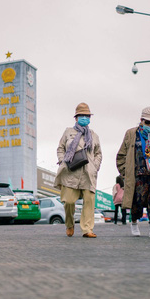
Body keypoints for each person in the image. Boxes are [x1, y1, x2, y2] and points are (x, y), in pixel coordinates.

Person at [116, 106, 150, 238]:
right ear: (141, 120)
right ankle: (134, 222)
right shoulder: (131, 134)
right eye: (147, 122)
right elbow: (121, 155)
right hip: (138, 174)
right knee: (138, 200)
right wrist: (126, 172)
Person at [54, 102, 102, 238]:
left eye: (87, 116)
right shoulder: (68, 132)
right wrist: (63, 160)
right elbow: (60, 148)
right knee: (68, 201)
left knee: (89, 201)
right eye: (82, 115)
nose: (85, 118)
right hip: (70, 172)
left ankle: (87, 229)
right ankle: (69, 224)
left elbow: (99, 153)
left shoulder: (93, 135)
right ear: (76, 118)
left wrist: (95, 166)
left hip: (88, 173)